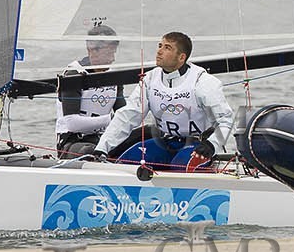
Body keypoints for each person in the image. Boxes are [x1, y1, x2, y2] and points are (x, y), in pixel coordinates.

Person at [93, 31, 235, 169]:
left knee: (181, 165)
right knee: (124, 163)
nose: (159, 51)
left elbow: (226, 120)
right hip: (166, 141)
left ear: (181, 57)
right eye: (160, 46)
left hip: (199, 144)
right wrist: (102, 148)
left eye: (167, 48)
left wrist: (212, 145)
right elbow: (127, 116)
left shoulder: (202, 82)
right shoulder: (149, 79)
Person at [56, 23, 125, 157]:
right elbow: (72, 123)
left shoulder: (115, 76)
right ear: (91, 50)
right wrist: (110, 119)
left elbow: (123, 113)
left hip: (104, 138)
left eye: (114, 52)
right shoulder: (73, 75)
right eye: (108, 53)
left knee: (147, 135)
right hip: (74, 141)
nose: (113, 59)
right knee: (89, 151)